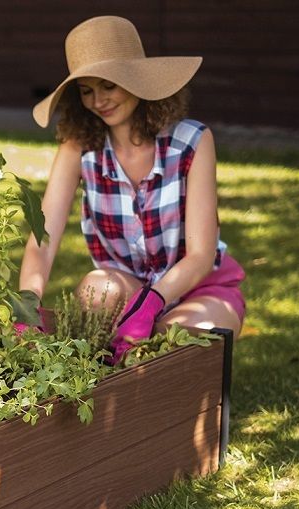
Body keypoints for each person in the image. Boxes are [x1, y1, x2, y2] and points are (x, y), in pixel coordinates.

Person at [17, 16, 245, 361]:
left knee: (175, 343)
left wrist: (151, 303)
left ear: (135, 80)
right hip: (127, 286)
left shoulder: (191, 142)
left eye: (108, 86)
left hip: (200, 289)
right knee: (96, 290)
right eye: (87, 90)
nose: (99, 101)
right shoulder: (78, 147)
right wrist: (27, 307)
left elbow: (200, 255)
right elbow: (42, 238)